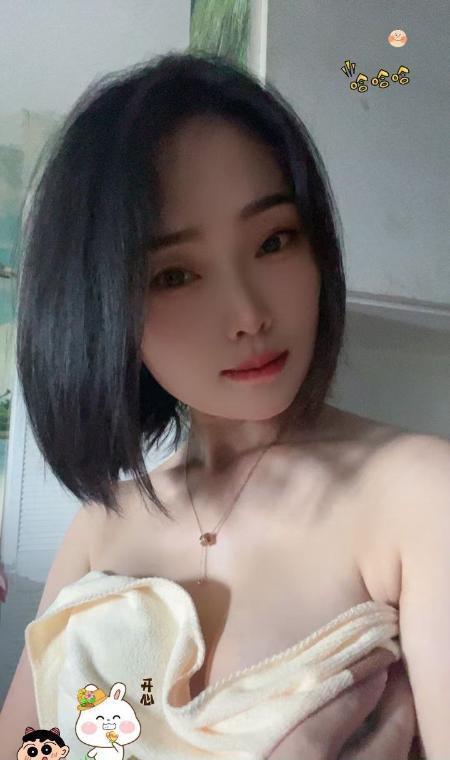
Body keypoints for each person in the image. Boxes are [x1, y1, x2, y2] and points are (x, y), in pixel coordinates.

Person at [0, 52, 430, 758]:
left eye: (274, 240)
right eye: (175, 274)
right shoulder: (100, 527)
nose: (249, 314)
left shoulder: (418, 495)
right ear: (101, 310)